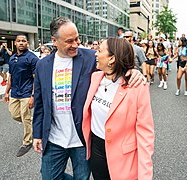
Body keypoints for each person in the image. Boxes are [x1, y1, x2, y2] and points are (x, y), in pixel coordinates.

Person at [32, 17, 145, 180]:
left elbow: (116, 63)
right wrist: (37, 134)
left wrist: (133, 71)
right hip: (54, 138)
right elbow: (40, 103)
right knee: (50, 177)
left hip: (82, 139)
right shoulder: (42, 65)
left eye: (77, 38)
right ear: (54, 41)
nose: (76, 44)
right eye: (69, 41)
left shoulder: (91, 57)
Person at [82, 37, 154, 180]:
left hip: (122, 154)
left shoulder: (137, 86)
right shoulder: (95, 77)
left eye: (100, 50)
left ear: (112, 59)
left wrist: (145, 174)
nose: (95, 53)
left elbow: (145, 133)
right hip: (96, 149)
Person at [4, 34, 39, 157]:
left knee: (25, 116)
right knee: (14, 115)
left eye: (24, 41)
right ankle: (31, 123)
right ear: (15, 43)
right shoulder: (12, 58)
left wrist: (33, 96)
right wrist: (6, 92)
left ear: (27, 44)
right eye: (18, 41)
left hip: (27, 93)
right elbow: (11, 77)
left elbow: (36, 79)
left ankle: (27, 142)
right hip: (15, 92)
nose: (21, 43)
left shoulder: (32, 58)